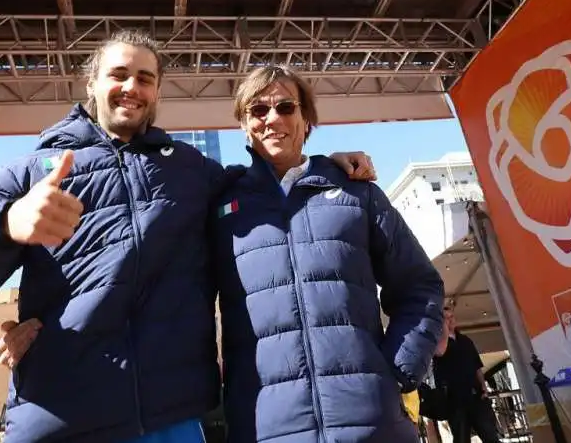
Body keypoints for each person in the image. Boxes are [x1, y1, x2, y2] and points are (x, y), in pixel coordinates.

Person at [0, 30, 375, 443]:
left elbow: (271, 181)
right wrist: (5, 224)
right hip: (60, 418)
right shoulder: (30, 172)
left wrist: (327, 165)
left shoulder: (193, 171)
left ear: (157, 93)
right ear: (91, 83)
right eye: (119, 74)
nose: (132, 87)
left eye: (145, 78)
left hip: (170, 421)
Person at [210, 65, 445, 443]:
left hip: (373, 423)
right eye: (258, 110)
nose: (272, 119)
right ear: (244, 124)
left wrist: (398, 370)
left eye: (285, 107)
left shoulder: (359, 194)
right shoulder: (218, 205)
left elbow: (420, 286)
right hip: (267, 430)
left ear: (306, 121)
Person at [433, 306, 500, 443]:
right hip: (454, 399)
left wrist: (484, 387)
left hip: (475, 395)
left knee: (490, 436)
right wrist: (444, 330)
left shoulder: (465, 341)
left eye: (452, 317)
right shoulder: (438, 342)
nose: (450, 320)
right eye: (446, 318)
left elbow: (477, 366)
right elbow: (439, 352)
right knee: (461, 438)